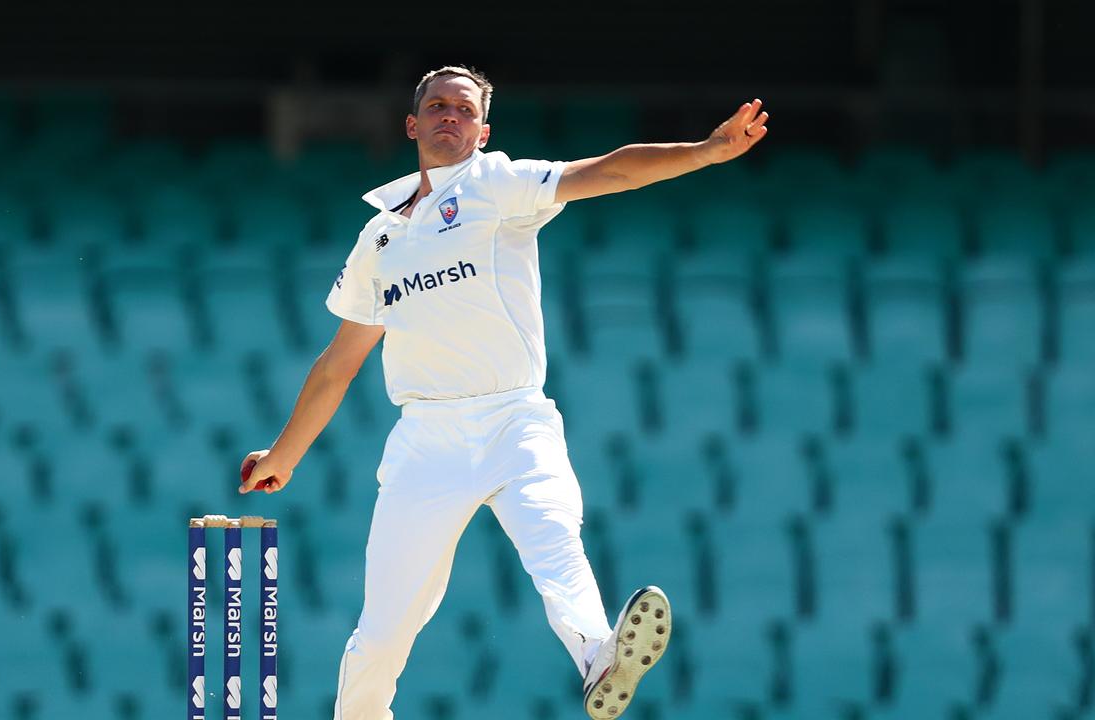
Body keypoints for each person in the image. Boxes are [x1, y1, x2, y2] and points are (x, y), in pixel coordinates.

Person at [238, 65, 769, 719]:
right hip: (425, 441)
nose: (449, 116)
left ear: (483, 131)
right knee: (382, 634)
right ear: (412, 124)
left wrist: (707, 151)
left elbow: (611, 170)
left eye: (464, 109)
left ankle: (599, 658)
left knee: (555, 539)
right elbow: (336, 366)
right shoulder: (379, 237)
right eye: (436, 106)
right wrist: (283, 456)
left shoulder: (499, 184)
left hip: (514, 419)